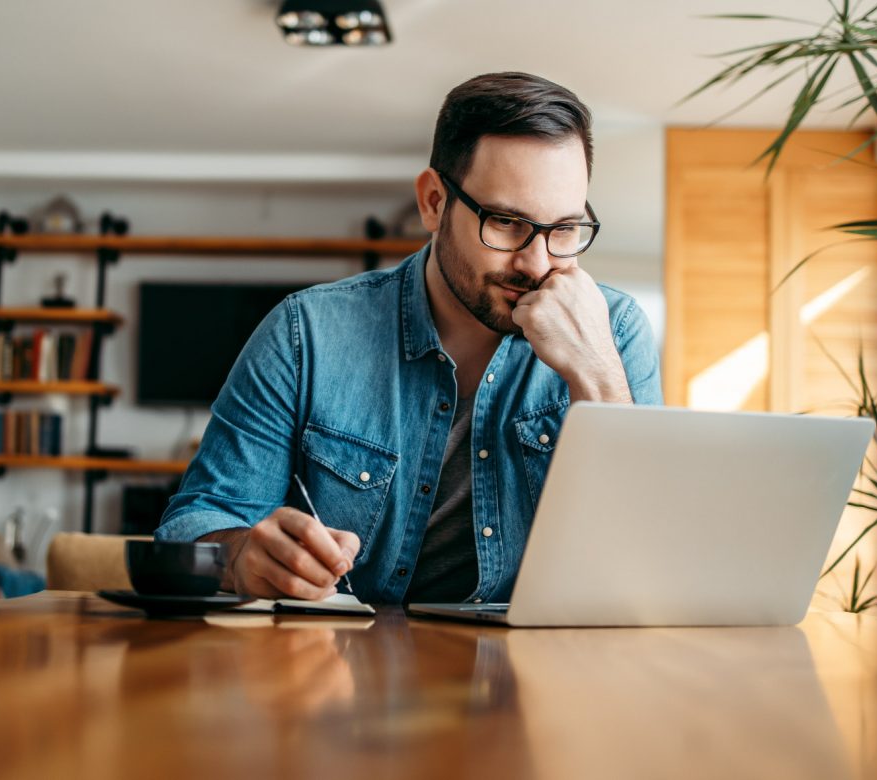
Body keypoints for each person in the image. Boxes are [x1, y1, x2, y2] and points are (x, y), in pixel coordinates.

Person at [155, 72, 662, 604]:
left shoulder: (616, 331)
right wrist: (241, 558)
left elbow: (647, 560)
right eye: (507, 222)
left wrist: (598, 375)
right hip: (339, 667)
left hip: (537, 674)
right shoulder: (306, 333)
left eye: (563, 229)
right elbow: (193, 525)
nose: (537, 264)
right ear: (434, 202)